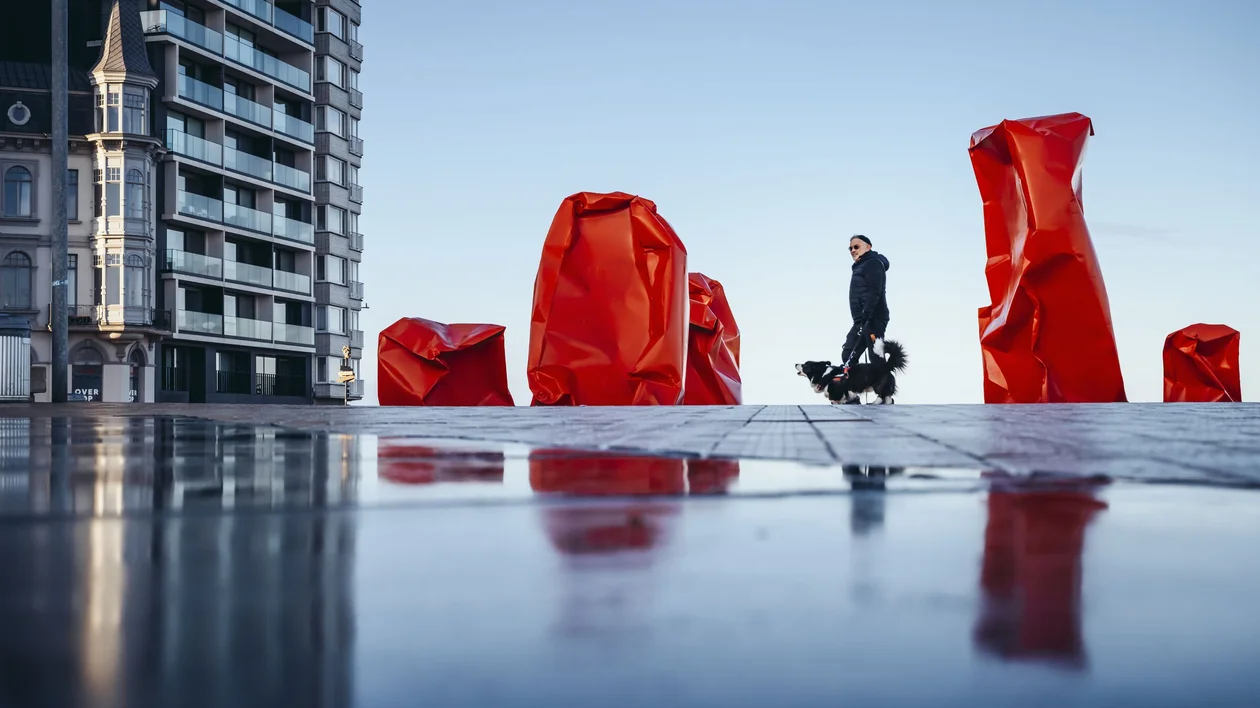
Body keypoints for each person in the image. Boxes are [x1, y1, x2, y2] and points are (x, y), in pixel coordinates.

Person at [842, 234, 890, 371]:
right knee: (848, 354)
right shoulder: (859, 266)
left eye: (856, 247)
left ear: (868, 247)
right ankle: (857, 383)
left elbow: (875, 289)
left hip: (873, 317)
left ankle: (883, 383)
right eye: (850, 248)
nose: (853, 250)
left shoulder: (873, 263)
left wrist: (867, 313)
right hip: (860, 320)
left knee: (875, 356)